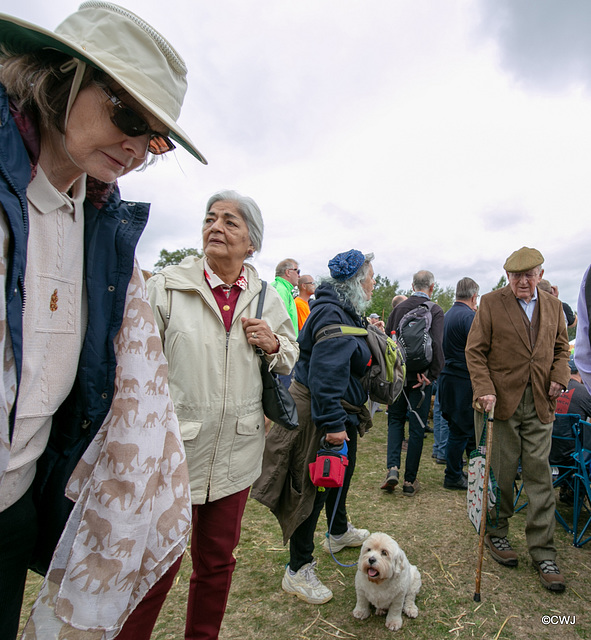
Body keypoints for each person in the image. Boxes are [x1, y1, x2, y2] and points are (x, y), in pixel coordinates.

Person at [0, 4, 204, 638]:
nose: (137, 148)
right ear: (61, 75)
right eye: (126, 116)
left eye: (155, 138)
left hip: (12, 508)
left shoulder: (99, 227)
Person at [145, 190, 299, 640]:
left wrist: (273, 343)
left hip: (237, 451)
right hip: (174, 453)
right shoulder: (168, 285)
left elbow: (289, 354)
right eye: (211, 219)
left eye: (231, 222)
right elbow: (135, 363)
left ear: (252, 243)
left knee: (216, 563)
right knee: (155, 565)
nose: (217, 227)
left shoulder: (266, 296)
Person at [252, 249, 374, 605]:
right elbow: (324, 377)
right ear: (354, 282)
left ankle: (337, 531)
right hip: (322, 415)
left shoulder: (341, 309)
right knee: (312, 490)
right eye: (370, 278)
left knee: (340, 478)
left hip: (338, 412)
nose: (373, 284)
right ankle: (298, 569)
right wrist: (333, 426)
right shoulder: (331, 314)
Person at [465, 247, 570, 592]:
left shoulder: (554, 306)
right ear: (507, 276)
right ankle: (496, 533)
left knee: (541, 477)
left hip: (541, 402)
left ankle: (544, 552)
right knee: (502, 474)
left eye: (529, 275)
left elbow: (560, 349)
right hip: (500, 404)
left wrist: (559, 375)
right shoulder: (493, 304)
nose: (523, 282)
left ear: (540, 274)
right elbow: (475, 351)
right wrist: (483, 388)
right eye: (516, 276)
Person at [381, 270, 444, 496]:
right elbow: (437, 344)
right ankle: (409, 481)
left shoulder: (399, 309)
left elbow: (388, 342)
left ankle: (393, 468)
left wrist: (391, 372)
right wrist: (432, 375)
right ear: (432, 287)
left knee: (396, 421)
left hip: (399, 376)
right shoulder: (434, 310)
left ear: (412, 285)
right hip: (421, 379)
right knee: (417, 428)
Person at [438, 277, 479, 490]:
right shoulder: (470, 317)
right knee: (460, 431)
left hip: (446, 378)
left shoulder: (446, 316)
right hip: (462, 380)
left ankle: (455, 472)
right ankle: (452, 475)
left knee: (457, 428)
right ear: (474, 297)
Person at [555, 354, 591, 420]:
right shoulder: (586, 392)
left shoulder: (553, 387)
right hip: (574, 430)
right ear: (580, 371)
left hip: (550, 429)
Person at [272, 258, 300, 335]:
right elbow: (276, 323)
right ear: (288, 272)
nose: (299, 276)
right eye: (297, 271)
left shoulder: (285, 291)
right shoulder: (279, 290)